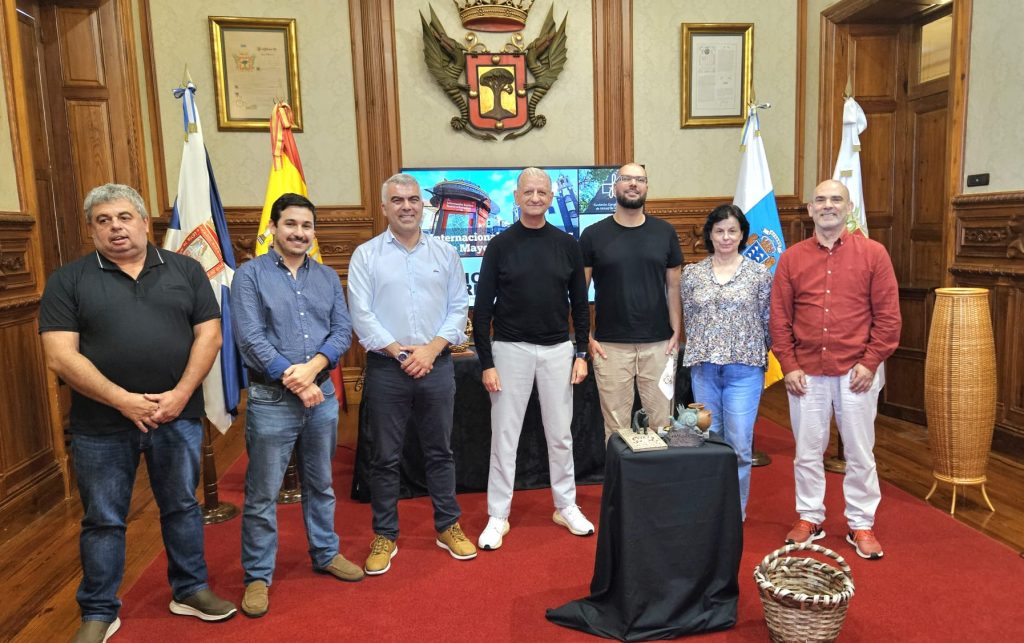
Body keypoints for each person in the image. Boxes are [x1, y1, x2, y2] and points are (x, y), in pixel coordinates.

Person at [38, 183, 236, 643]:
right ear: (91, 230)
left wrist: (179, 394)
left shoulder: (186, 271)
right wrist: (123, 400)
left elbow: (210, 337)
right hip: (101, 425)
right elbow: (60, 356)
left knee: (183, 506)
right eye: (103, 221)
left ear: (146, 222)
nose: (116, 228)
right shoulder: (68, 280)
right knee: (103, 518)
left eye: (124, 217)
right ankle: (99, 611)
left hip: (177, 415)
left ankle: (189, 590)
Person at [231, 192, 362, 618]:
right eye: (291, 224)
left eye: (307, 226)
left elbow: (343, 331)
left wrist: (315, 370)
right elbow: (250, 338)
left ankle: (325, 553)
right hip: (272, 398)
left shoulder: (326, 277)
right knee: (262, 494)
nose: (299, 233)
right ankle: (257, 575)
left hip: (320, 396)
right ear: (272, 227)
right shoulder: (249, 276)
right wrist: (295, 377)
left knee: (321, 484)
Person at [348, 174, 476, 575]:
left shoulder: (445, 254)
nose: (407, 206)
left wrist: (431, 349)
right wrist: (399, 351)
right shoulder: (365, 256)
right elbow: (361, 314)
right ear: (384, 208)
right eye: (398, 200)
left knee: (441, 451)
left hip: (436, 365)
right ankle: (385, 534)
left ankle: (447, 525)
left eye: (413, 199)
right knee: (385, 457)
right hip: (388, 369)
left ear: (425, 206)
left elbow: (459, 307)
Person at [770, 180, 901, 560]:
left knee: (860, 452)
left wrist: (871, 361)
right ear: (810, 209)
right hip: (805, 373)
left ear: (848, 208)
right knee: (807, 451)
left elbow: (889, 319)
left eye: (836, 200)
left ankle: (861, 522)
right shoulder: (792, 258)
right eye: (821, 200)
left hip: (857, 372)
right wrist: (788, 365)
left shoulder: (874, 254)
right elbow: (779, 318)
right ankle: (810, 516)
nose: (828, 206)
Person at [473, 167, 595, 550]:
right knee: (504, 437)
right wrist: (487, 362)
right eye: (529, 191)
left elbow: (581, 304)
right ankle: (498, 515)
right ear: (516, 196)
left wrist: (580, 352)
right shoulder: (500, 245)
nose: (536, 197)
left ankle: (566, 505)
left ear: (551, 195)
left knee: (560, 436)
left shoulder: (567, 244)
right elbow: (482, 308)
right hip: (510, 351)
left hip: (559, 350)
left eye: (543, 191)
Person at [579, 162, 683, 442]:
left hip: (659, 346)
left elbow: (674, 286)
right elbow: (579, 292)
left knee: (662, 428)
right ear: (615, 186)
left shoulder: (665, 233)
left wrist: (676, 333)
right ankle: (622, 487)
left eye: (640, 179)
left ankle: (659, 485)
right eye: (626, 179)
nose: (633, 184)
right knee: (616, 432)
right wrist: (587, 336)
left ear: (647, 186)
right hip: (609, 348)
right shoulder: (592, 235)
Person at [681, 204, 772, 520]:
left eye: (732, 230)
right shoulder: (692, 275)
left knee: (739, 445)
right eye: (719, 230)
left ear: (742, 234)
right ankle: (709, 509)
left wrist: (751, 354)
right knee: (706, 442)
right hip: (704, 370)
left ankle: (734, 511)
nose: (726, 236)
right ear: (710, 234)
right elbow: (689, 319)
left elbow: (767, 320)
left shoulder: (760, 275)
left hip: (744, 371)